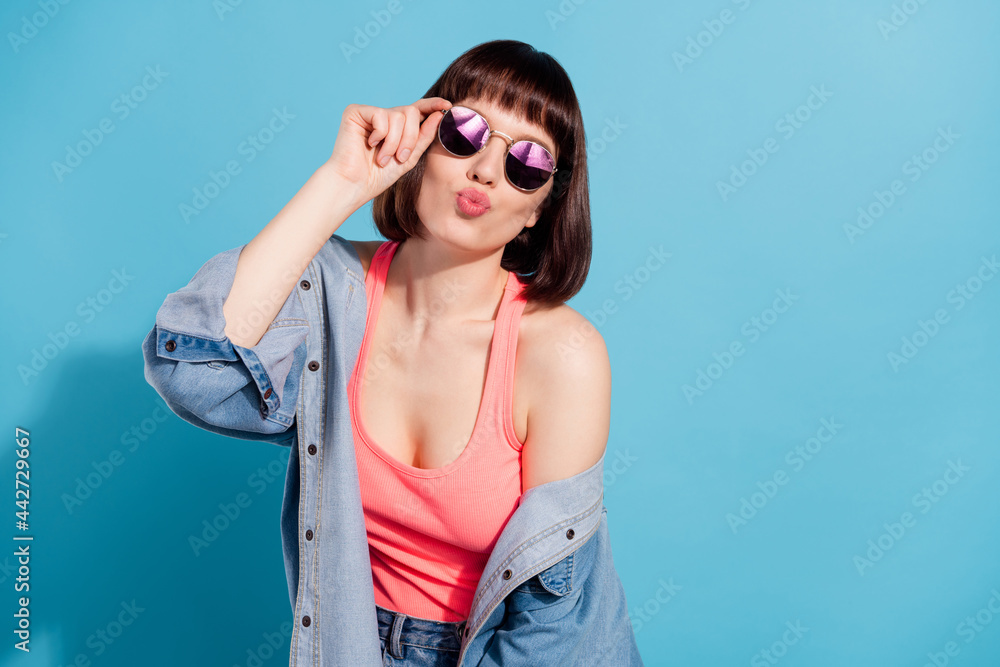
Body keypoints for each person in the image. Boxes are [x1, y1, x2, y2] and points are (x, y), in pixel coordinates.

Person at [142, 39, 643, 666]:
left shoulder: (561, 354)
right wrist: (339, 185)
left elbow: (553, 623)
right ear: (424, 141)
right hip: (345, 638)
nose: (486, 170)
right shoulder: (332, 293)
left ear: (541, 208)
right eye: (465, 132)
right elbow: (194, 373)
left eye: (527, 163)